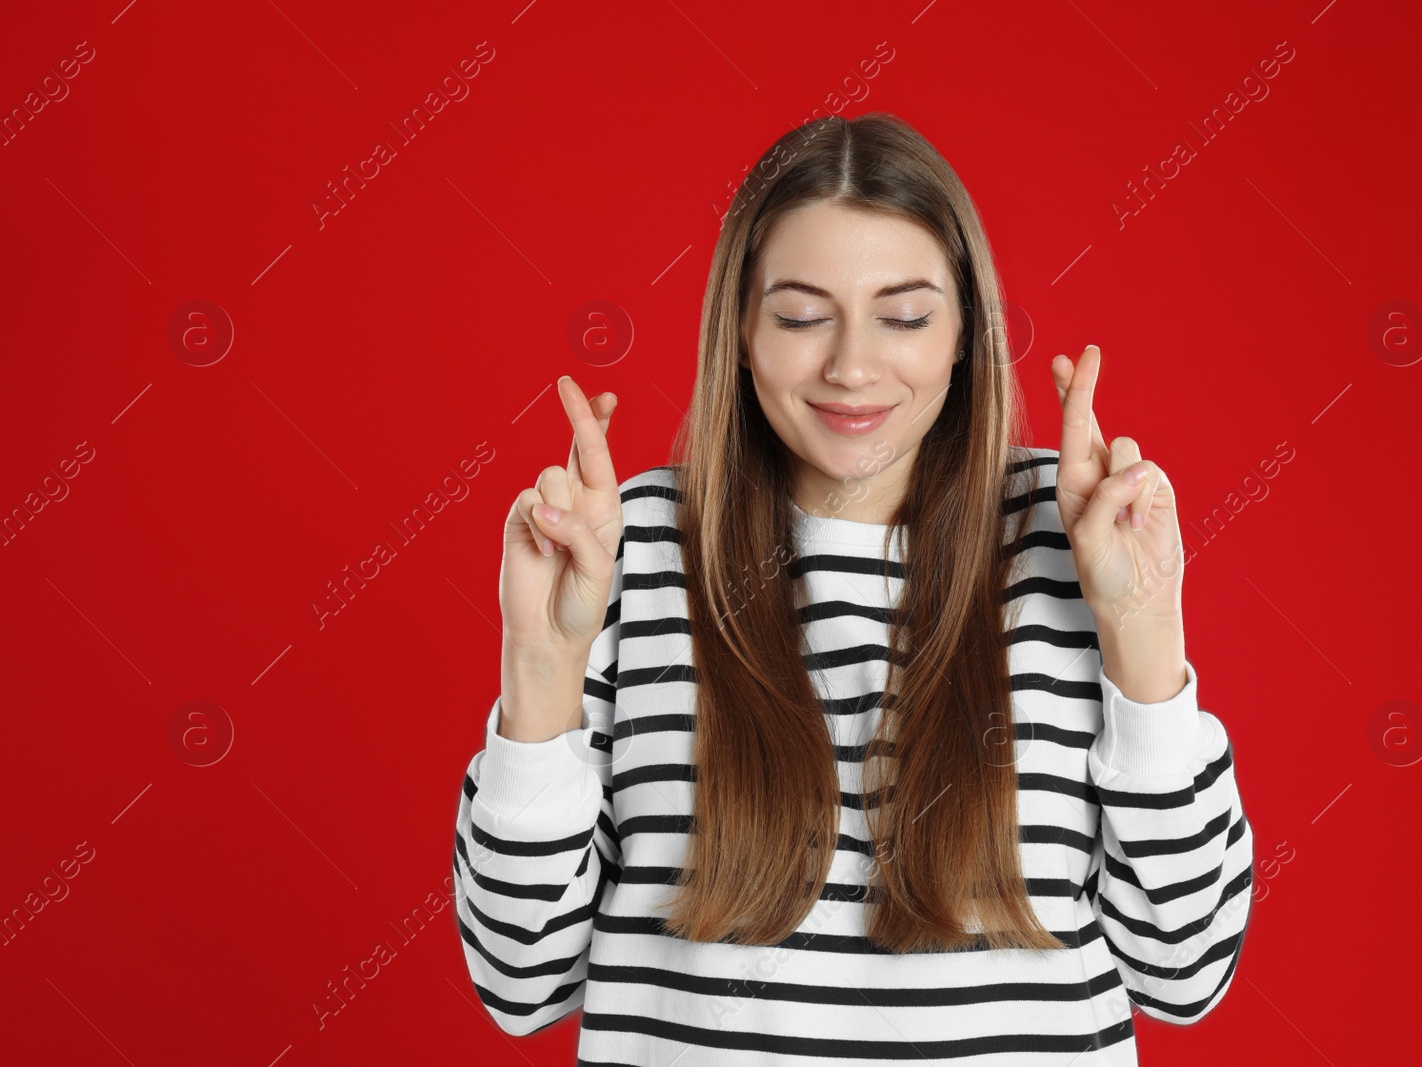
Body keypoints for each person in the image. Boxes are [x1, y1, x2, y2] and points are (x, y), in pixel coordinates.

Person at [452, 112, 1254, 1065]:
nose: (852, 366)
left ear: (964, 333)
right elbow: (519, 982)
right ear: (741, 334)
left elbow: (1187, 971)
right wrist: (542, 662)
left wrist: (1140, 627)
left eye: (905, 316)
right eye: (799, 316)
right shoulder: (627, 542)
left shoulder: (1074, 536)